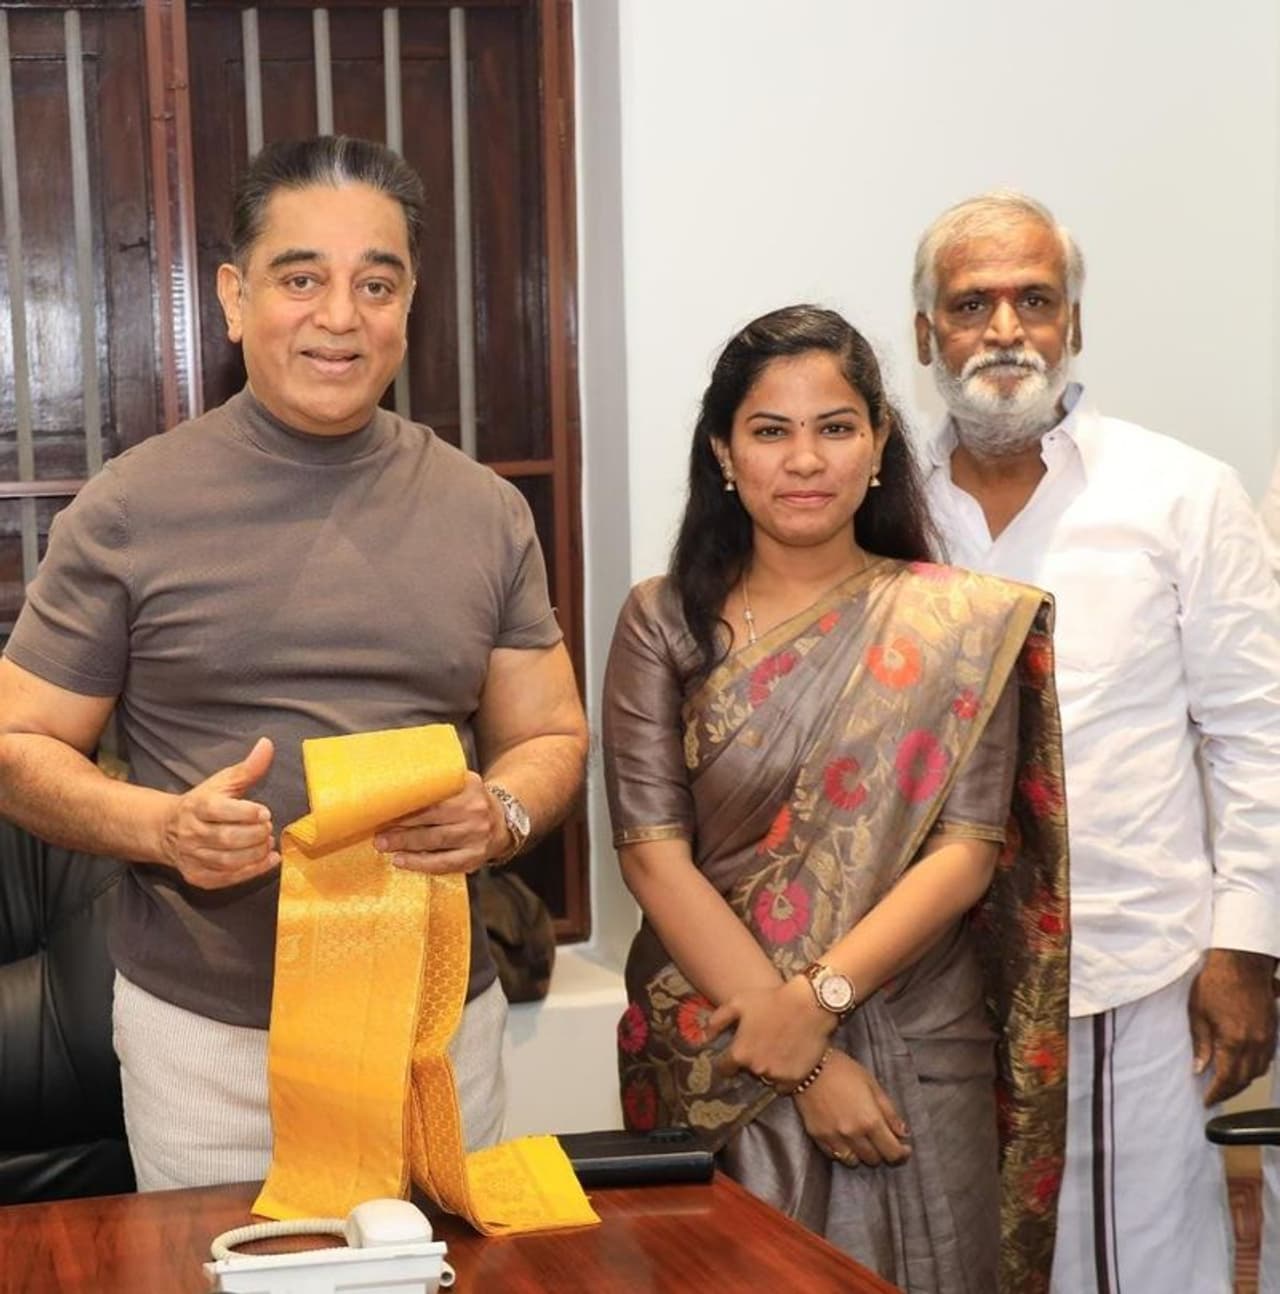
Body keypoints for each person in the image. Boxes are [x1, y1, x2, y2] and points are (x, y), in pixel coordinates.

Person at [0, 135, 588, 1192]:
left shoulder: (486, 511)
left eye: (376, 283)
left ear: (408, 306)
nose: (339, 317)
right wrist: (162, 828)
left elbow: (548, 732)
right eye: (301, 278)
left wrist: (500, 812)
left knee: (448, 1268)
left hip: (435, 1029)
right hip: (211, 1045)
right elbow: (18, 743)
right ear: (234, 298)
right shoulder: (131, 507)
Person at [602, 304, 1070, 1293]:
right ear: (724, 452)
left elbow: (965, 851)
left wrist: (817, 1001)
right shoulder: (664, 620)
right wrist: (802, 1058)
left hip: (917, 1033)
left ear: (878, 443)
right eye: (770, 431)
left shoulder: (958, 623)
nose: (805, 460)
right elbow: (652, 854)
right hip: (716, 1039)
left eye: (835, 427)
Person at [914, 189, 1280, 1294]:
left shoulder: (1180, 494)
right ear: (924, 333)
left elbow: (1256, 734)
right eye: (970, 304)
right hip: (925, 988)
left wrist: (1246, 948)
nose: (1004, 329)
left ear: (1073, 322)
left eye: (1034, 300)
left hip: (1128, 974)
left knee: (1137, 1268)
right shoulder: (882, 508)